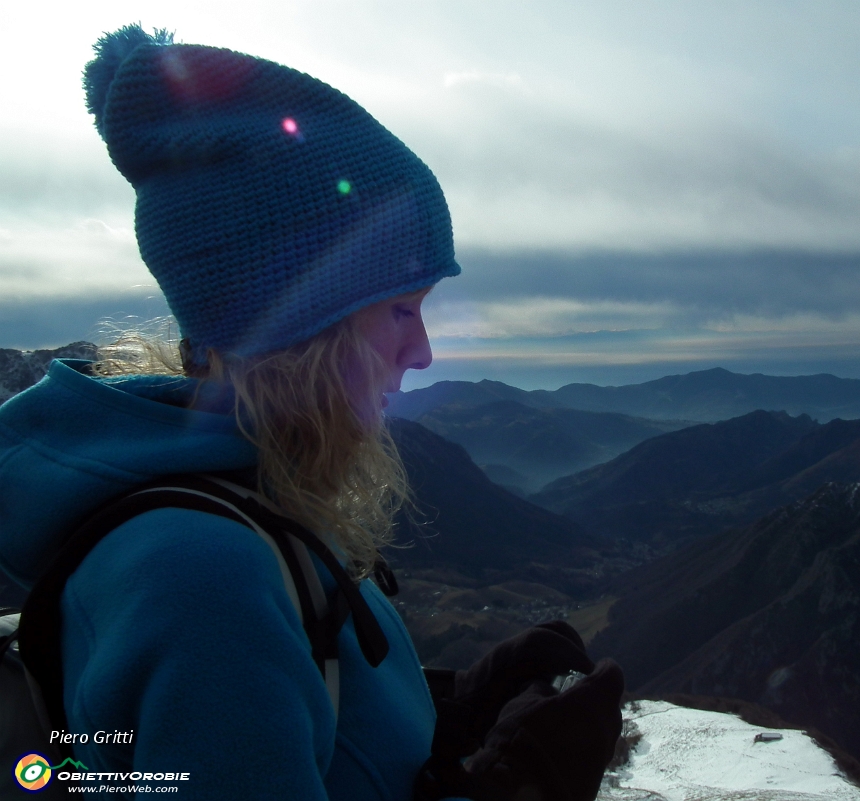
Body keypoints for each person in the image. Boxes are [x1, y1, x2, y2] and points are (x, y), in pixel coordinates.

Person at [0, 24, 623, 800]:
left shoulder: (238, 490)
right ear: (302, 324)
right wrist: (522, 787)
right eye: (400, 309)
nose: (423, 350)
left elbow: (305, 735)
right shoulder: (203, 579)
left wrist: (454, 711)